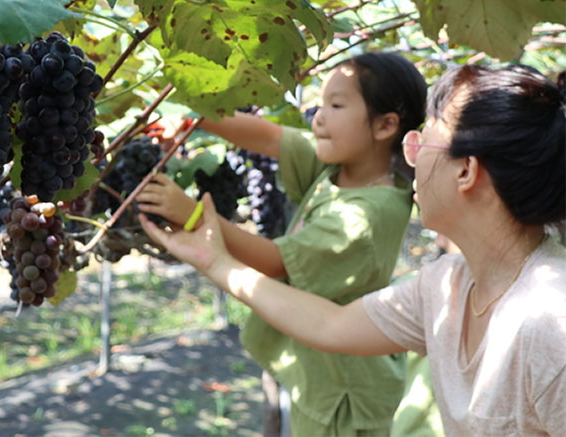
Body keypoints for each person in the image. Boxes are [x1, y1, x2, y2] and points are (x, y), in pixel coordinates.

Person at [139, 64, 566, 435]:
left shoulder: (552, 325)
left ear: (466, 171)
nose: (409, 157)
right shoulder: (445, 286)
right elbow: (332, 325)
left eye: (420, 143)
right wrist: (216, 262)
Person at [138, 52, 428, 435]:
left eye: (336, 105)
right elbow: (270, 136)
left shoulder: (368, 215)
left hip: (344, 397)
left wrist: (193, 214)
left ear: (385, 125)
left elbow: (276, 263)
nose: (318, 116)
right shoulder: (341, 168)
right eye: (320, 103)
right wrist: (196, 116)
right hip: (321, 373)